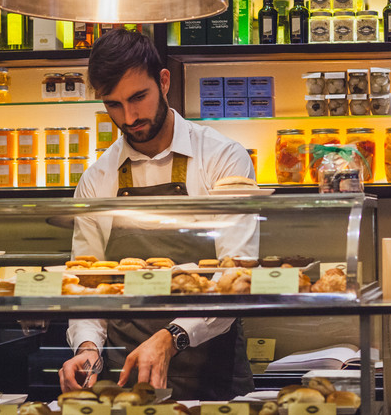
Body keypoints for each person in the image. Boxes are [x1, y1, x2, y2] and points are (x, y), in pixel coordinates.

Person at [58, 29, 257, 400]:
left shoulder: (222, 158)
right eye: (113, 104)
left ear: (163, 81)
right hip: (124, 379)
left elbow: (236, 278)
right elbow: (87, 285)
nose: (129, 116)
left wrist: (172, 337)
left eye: (138, 97)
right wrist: (87, 349)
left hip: (211, 374)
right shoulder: (96, 178)